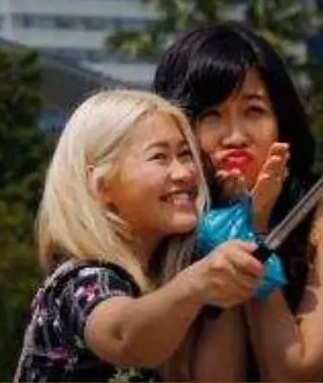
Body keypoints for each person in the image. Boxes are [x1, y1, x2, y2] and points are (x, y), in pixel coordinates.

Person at [153, 24, 323, 383]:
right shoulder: (171, 229)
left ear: (281, 121)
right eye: (210, 115)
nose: (235, 137)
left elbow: (292, 371)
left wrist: (252, 230)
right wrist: (225, 232)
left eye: (254, 111)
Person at [15, 89, 273, 382]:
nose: (185, 173)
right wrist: (196, 283)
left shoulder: (155, 288)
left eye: (185, 154)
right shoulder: (80, 283)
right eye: (160, 157)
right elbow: (124, 338)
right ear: (101, 185)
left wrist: (231, 234)